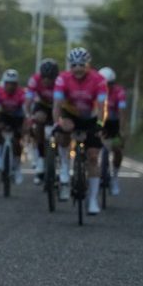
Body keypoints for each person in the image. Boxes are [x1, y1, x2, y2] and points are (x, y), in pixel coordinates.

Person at [52, 47, 109, 214]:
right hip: (71, 114)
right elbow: (56, 105)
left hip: (90, 116)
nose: (78, 68)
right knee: (64, 131)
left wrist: (100, 124)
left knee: (92, 157)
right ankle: (64, 168)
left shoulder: (98, 80)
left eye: (81, 65)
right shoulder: (62, 79)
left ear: (87, 65)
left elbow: (101, 106)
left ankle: (92, 200)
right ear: (70, 65)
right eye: (74, 65)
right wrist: (57, 123)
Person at [0, 69, 26, 185]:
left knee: (17, 142)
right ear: (4, 83)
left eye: (13, 84)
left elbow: (25, 109)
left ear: (17, 84)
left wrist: (25, 125)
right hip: (3, 116)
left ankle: (17, 167)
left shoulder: (21, 93)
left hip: (17, 117)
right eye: (8, 83)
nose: (11, 86)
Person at [24, 59, 59, 184]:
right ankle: (40, 159)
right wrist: (28, 115)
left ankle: (59, 157)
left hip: (59, 106)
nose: (47, 81)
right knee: (39, 120)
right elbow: (28, 101)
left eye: (50, 78)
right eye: (44, 77)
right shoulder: (34, 80)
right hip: (42, 105)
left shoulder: (61, 82)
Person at [98, 67, 127, 196]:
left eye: (108, 85)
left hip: (114, 123)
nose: (106, 87)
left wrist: (121, 130)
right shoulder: (96, 89)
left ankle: (114, 177)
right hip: (100, 122)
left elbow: (121, 113)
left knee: (117, 149)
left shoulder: (119, 92)